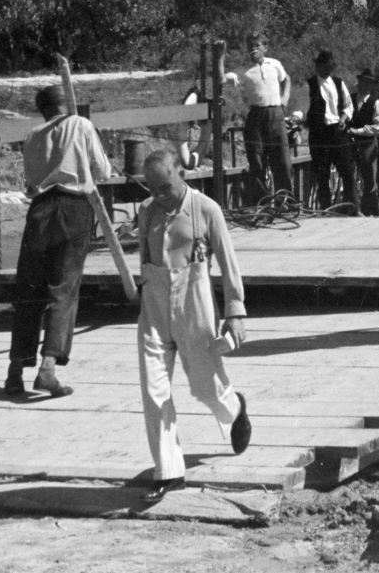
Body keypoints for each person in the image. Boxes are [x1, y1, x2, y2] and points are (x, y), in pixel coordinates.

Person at [6, 55, 129, 398]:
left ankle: (14, 372)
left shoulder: (31, 135)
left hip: (40, 209)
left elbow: (32, 182)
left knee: (28, 289)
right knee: (63, 288)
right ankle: (47, 368)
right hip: (73, 207)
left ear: (43, 110)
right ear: (66, 104)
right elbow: (103, 173)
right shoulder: (81, 125)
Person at [135, 149, 252, 503]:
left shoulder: (206, 210)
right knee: (154, 390)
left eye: (165, 186)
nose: (158, 195)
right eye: (152, 188)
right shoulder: (145, 212)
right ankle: (168, 471)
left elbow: (229, 263)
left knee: (204, 386)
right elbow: (144, 257)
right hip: (154, 306)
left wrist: (235, 311)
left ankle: (234, 408)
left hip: (193, 302)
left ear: (181, 173)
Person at [237, 32, 293, 201]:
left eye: (257, 45)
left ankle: (286, 203)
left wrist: (285, 97)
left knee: (283, 161)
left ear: (265, 47)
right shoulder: (244, 70)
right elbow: (222, 77)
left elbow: (286, 79)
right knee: (257, 162)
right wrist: (220, 56)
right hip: (256, 115)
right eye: (250, 46)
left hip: (276, 114)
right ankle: (262, 204)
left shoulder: (274, 64)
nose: (253, 49)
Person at [305, 49, 356, 210]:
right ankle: (325, 209)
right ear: (318, 66)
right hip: (319, 133)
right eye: (323, 65)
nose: (326, 69)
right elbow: (302, 109)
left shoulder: (339, 83)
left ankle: (353, 208)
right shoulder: (310, 85)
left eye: (328, 66)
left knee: (347, 172)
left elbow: (348, 106)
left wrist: (343, 118)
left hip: (337, 132)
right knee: (322, 174)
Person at [348, 69, 379, 216]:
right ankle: (353, 207)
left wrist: (358, 131)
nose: (363, 85)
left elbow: (378, 127)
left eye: (367, 83)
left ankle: (369, 209)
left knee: (369, 175)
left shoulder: (376, 103)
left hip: (367, 142)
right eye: (362, 82)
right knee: (349, 172)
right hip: (351, 142)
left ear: (372, 86)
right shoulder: (350, 99)